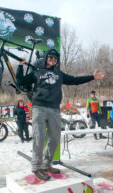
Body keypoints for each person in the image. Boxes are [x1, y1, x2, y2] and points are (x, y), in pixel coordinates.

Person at [16, 49, 105, 181]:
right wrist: (20, 66)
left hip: (54, 109)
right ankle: (36, 167)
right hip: (39, 108)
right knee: (39, 137)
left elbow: (75, 80)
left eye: (55, 58)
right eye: (51, 57)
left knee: (55, 138)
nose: (53, 60)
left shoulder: (59, 74)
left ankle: (47, 164)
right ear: (46, 57)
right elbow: (21, 82)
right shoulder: (37, 72)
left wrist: (92, 77)